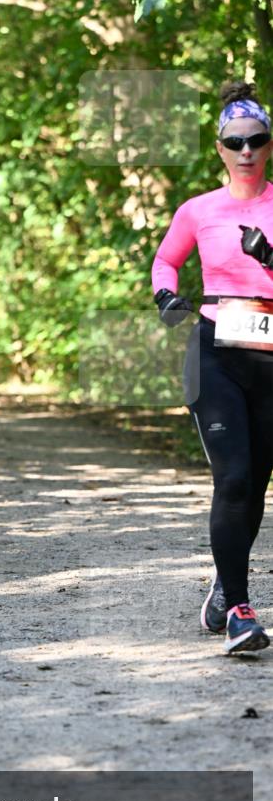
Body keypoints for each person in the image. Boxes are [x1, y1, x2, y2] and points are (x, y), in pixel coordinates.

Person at [152, 80, 272, 654]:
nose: (246, 150)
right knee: (235, 479)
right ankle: (242, 612)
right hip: (215, 354)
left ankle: (226, 587)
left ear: (268, 145)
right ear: (220, 149)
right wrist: (166, 299)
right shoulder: (199, 210)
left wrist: (269, 259)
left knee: (256, 491)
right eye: (235, 141)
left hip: (270, 362)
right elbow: (165, 261)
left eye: (257, 139)